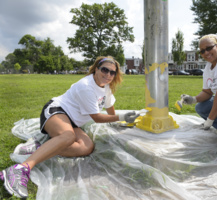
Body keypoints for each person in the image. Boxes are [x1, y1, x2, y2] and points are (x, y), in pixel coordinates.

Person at [0, 56, 140, 198]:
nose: (108, 75)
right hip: (56, 111)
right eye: (105, 70)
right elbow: (97, 118)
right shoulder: (86, 86)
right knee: (68, 136)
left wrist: (117, 122)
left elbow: (109, 106)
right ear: (96, 69)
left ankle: (41, 146)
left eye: (112, 72)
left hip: (71, 121)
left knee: (86, 147)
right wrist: (122, 117)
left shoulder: (106, 87)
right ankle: (20, 169)